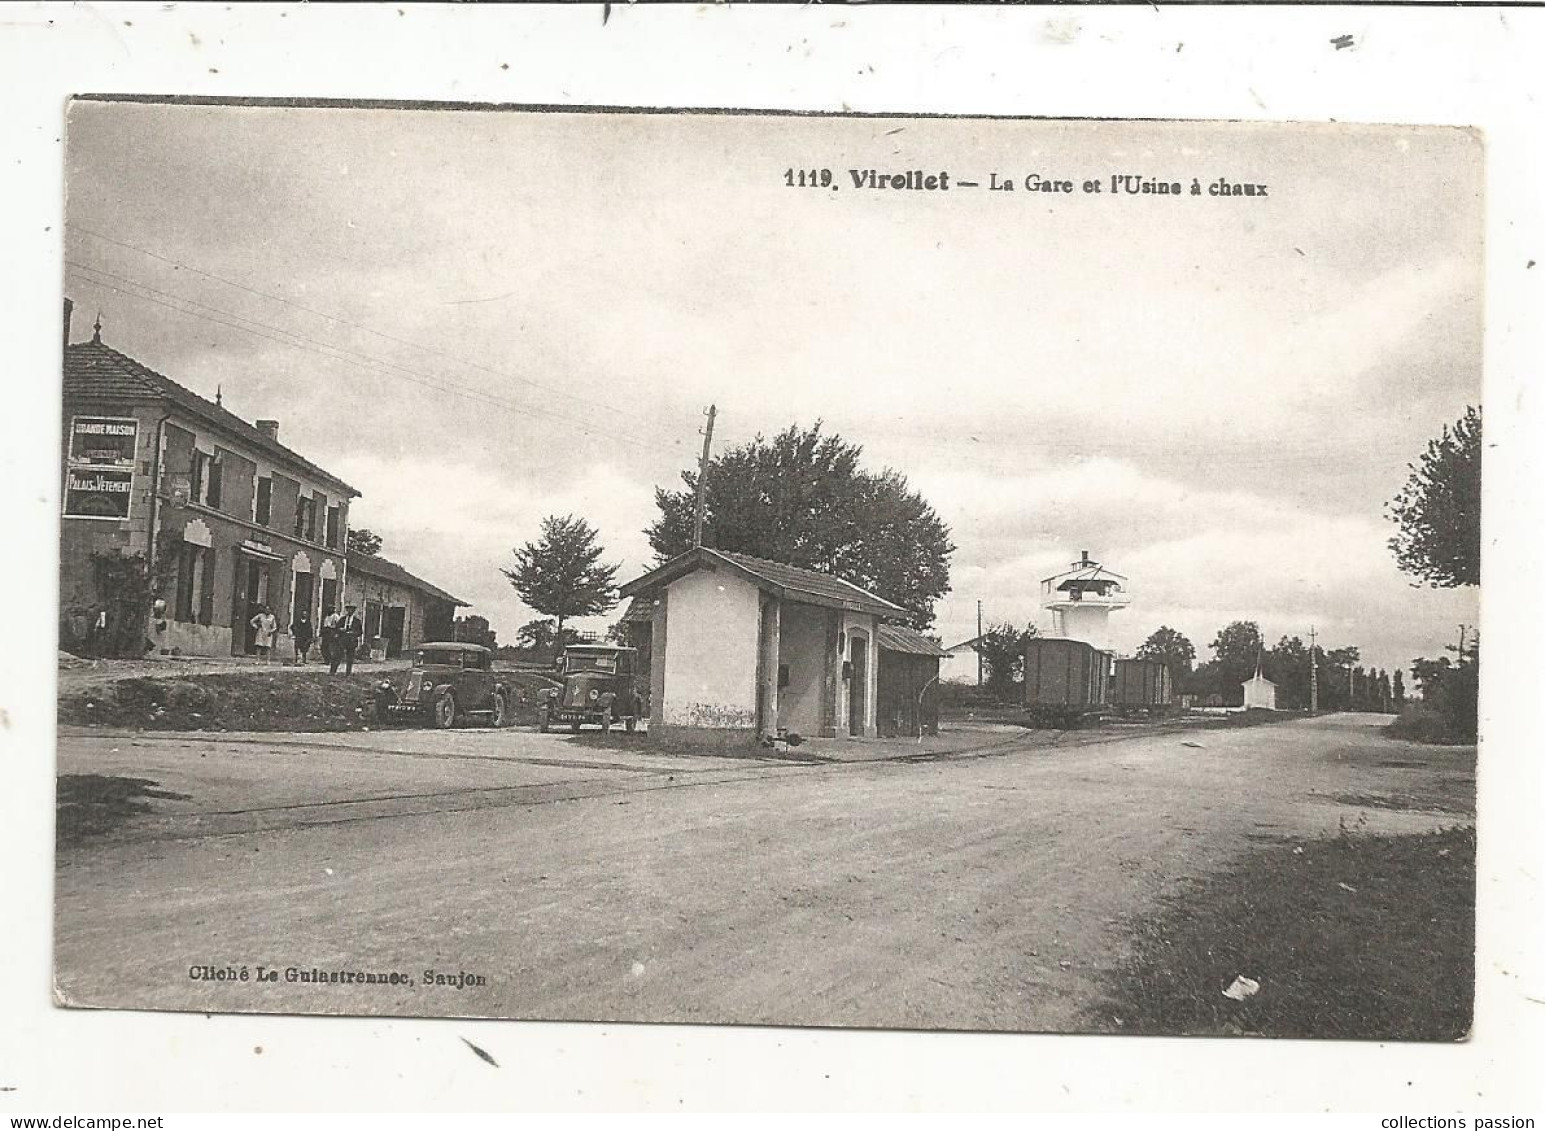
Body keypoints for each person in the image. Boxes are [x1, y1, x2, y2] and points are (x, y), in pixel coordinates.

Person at [333, 604, 364, 676]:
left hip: (352, 640)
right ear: (347, 610)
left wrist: (353, 633)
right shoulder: (342, 619)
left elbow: (360, 632)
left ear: (354, 611)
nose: (350, 611)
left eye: (352, 610)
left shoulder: (357, 621)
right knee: (338, 655)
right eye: (348, 609)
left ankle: (348, 673)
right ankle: (333, 671)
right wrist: (340, 630)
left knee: (350, 657)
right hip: (342, 639)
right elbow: (336, 628)